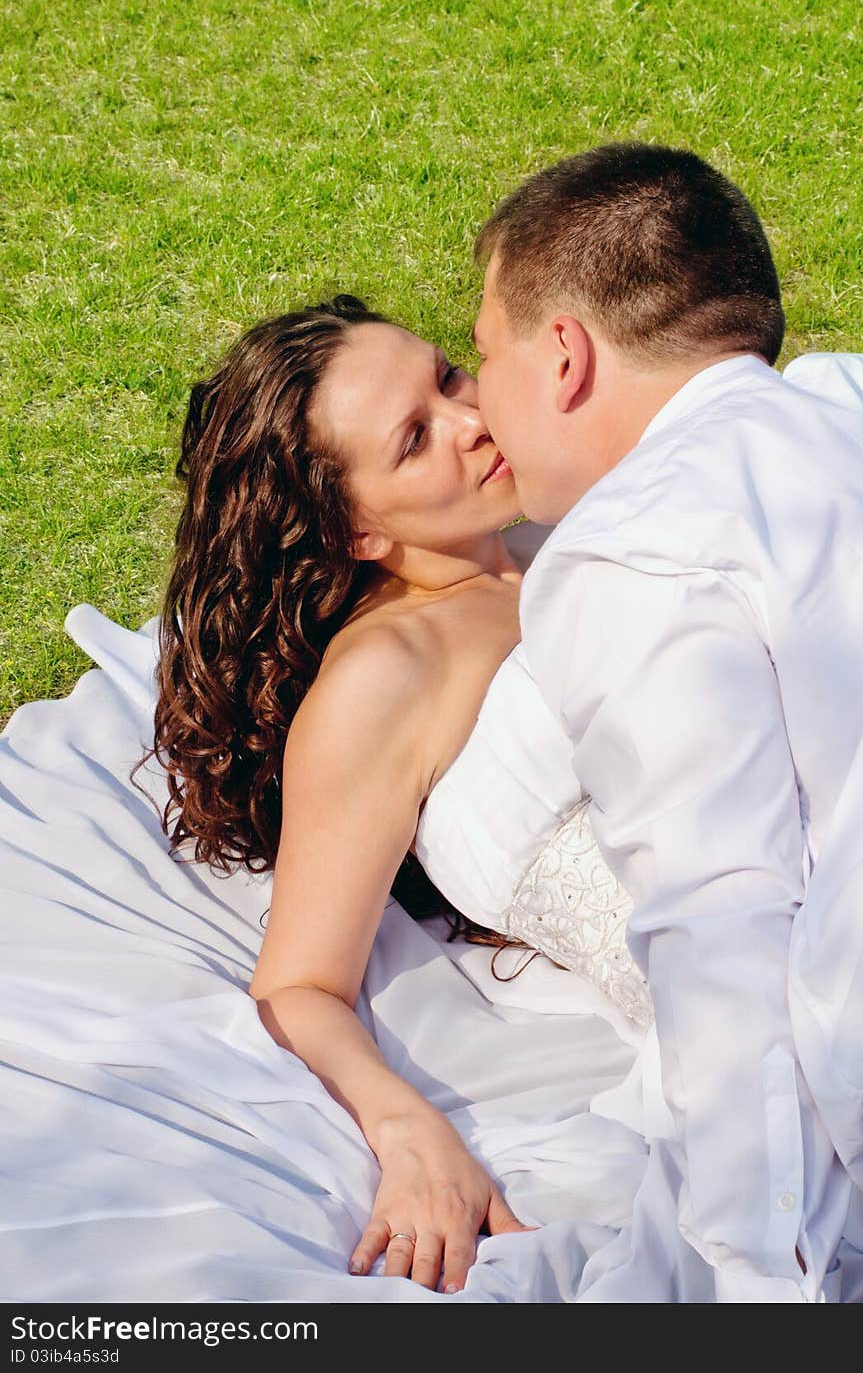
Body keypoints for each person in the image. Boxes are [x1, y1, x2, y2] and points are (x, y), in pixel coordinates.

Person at [140, 296, 633, 1298]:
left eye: (450, 376)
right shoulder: (388, 673)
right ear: (353, 527)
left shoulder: (553, 530)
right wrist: (407, 1130)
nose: (471, 420)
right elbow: (298, 984)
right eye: (416, 439)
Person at [468, 140, 863, 1302]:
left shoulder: (630, 550)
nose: (479, 401)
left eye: (481, 353)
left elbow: (724, 933)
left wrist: (757, 1282)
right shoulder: (849, 414)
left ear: (561, 356)